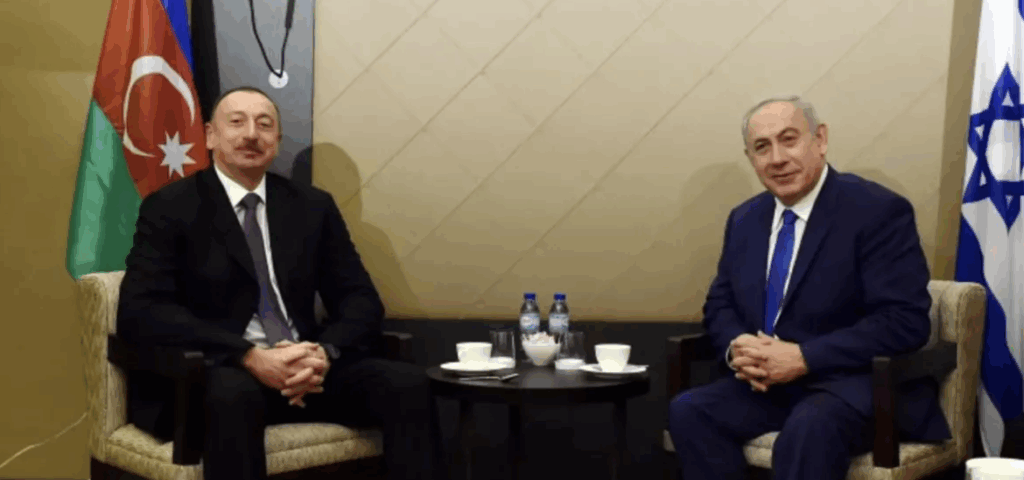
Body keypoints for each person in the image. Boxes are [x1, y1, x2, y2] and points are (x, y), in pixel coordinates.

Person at [116, 86, 438, 480]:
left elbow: (360, 299)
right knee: (233, 393)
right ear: (210, 136)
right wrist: (249, 356)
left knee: (407, 384)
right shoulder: (171, 206)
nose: (251, 134)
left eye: (264, 124)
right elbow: (142, 311)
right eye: (237, 122)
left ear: (278, 141)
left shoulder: (312, 206)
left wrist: (323, 353)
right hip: (220, 372)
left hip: (305, 373)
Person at [667, 96, 951, 479]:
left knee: (809, 428)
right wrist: (738, 349)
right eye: (762, 147)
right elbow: (720, 303)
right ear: (750, 158)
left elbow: (904, 321)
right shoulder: (745, 218)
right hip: (768, 387)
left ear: (820, 140)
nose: (777, 158)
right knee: (689, 410)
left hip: (853, 384)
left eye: (789, 139)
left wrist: (804, 357)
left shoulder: (877, 210)